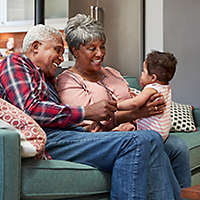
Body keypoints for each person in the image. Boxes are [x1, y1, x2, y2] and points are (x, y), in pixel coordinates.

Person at [0, 24, 181, 200]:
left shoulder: (48, 78)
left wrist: (91, 126)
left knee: (152, 140)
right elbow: (30, 109)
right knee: (140, 141)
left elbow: (64, 116)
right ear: (36, 47)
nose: (61, 59)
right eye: (57, 50)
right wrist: (86, 112)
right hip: (49, 139)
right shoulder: (15, 62)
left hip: (69, 134)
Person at [56, 13, 191, 189]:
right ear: (75, 50)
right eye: (92, 48)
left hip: (136, 130)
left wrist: (138, 118)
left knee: (177, 145)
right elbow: (90, 123)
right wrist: (136, 114)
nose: (100, 53)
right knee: (152, 146)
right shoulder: (68, 81)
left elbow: (133, 98)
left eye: (102, 47)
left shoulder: (112, 72)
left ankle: (184, 194)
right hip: (107, 139)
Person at [117, 51, 176, 141]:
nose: (141, 74)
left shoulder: (151, 88)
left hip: (150, 134)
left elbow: (135, 103)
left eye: (143, 72)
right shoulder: (166, 87)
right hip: (163, 133)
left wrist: (116, 105)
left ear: (153, 78)